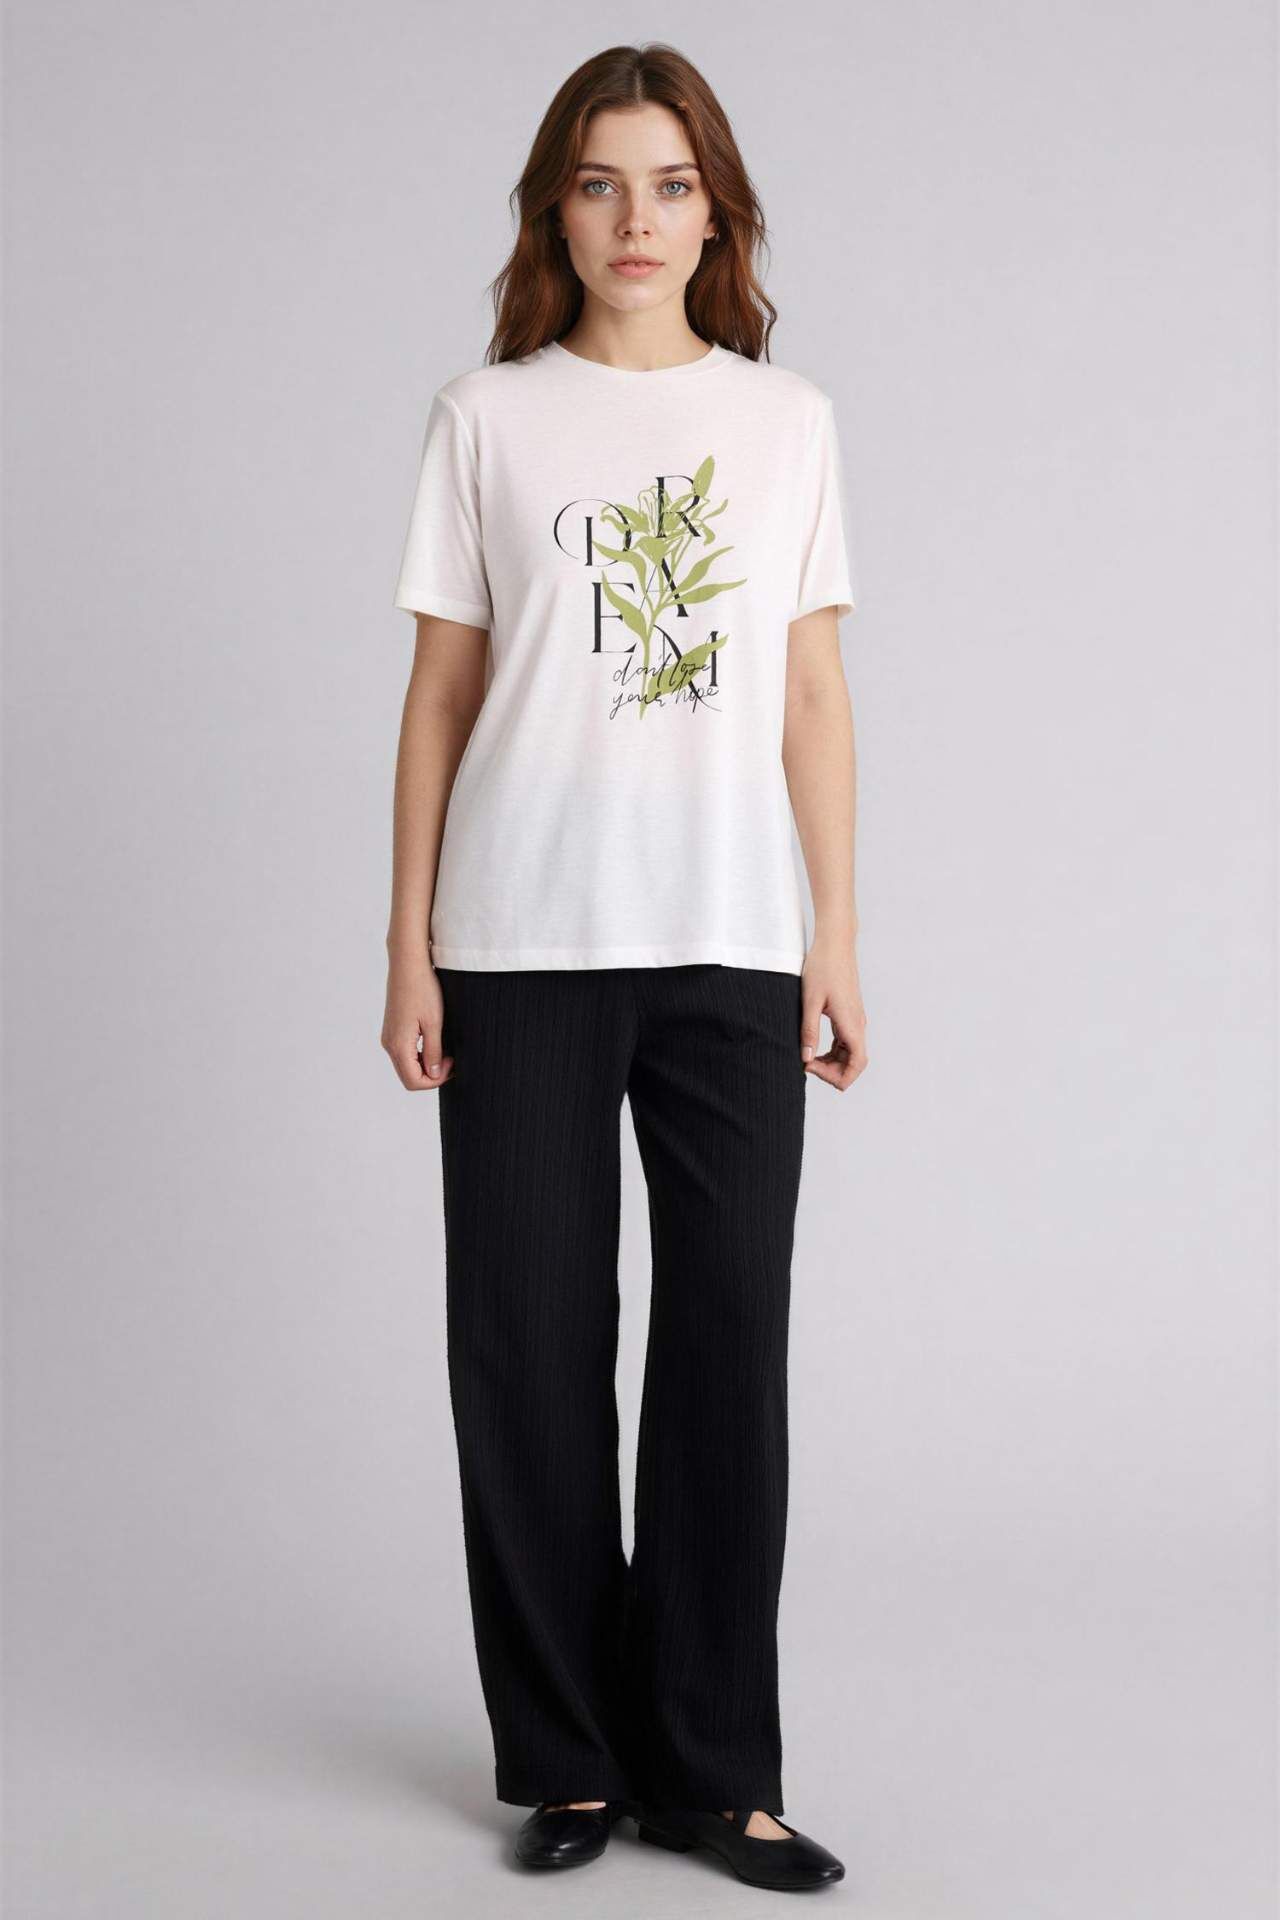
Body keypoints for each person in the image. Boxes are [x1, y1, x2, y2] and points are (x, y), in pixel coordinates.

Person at [381, 41, 867, 1894]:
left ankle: (716, 1770)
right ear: (555, 211)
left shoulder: (787, 421)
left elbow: (811, 694)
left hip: (733, 942)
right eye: (600, 184)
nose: (636, 220)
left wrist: (836, 936)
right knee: (525, 1348)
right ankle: (570, 1759)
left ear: (717, 213)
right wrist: (408, 942)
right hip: (517, 940)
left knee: (730, 1344)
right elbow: (441, 697)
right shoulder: (486, 419)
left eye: (671, 186)